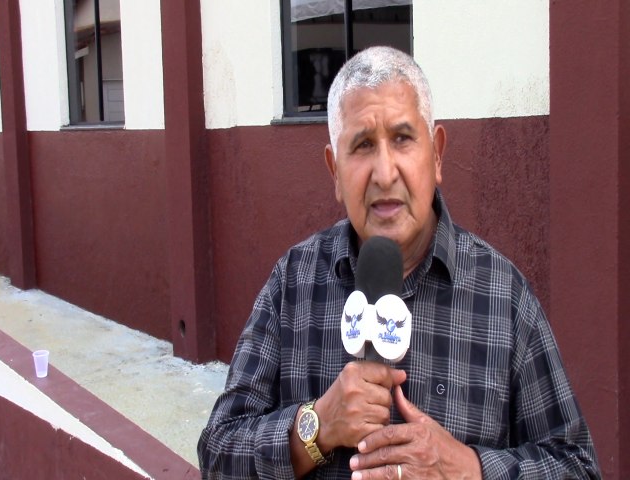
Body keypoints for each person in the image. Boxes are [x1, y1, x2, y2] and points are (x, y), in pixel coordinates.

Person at [197, 46, 600, 479]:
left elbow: (577, 467)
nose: (385, 173)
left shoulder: (504, 296)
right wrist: (315, 427)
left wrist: (469, 468)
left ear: (437, 154)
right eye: (363, 145)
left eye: (403, 139)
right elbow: (218, 454)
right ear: (335, 171)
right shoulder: (293, 283)